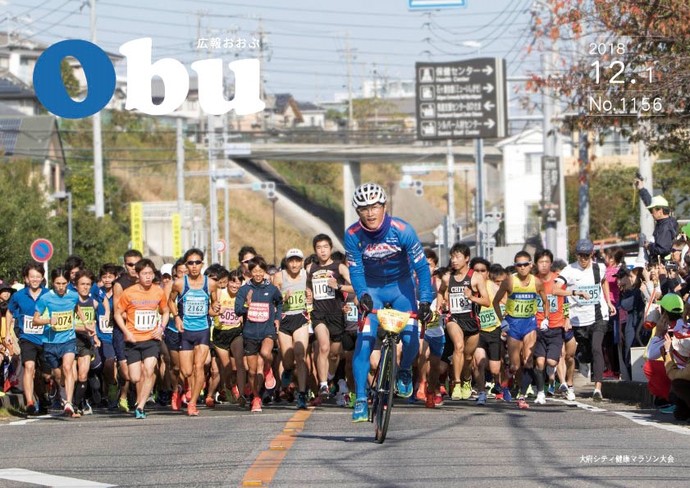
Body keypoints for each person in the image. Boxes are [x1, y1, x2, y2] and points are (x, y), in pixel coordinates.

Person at [344, 182, 434, 422]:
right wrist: (361, 293)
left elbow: (422, 269)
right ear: (357, 212)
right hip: (372, 289)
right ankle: (361, 399)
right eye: (364, 208)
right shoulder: (352, 235)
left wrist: (425, 300)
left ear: (384, 207)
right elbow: (355, 270)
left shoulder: (403, 230)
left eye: (374, 206)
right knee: (364, 342)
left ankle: (404, 370)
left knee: (410, 338)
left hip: (402, 288)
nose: (370, 213)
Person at [557, 239, 616, 401]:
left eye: (586, 255)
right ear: (576, 255)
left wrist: (609, 302)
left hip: (598, 316)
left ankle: (597, 388)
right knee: (583, 353)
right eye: (580, 255)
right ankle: (580, 365)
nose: (583, 259)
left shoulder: (600, 268)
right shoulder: (569, 270)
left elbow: (603, 282)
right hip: (578, 320)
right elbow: (555, 289)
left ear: (592, 254)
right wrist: (574, 293)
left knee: (597, 347)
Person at [493, 251, 550, 409]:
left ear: (531, 265)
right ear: (515, 266)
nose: (523, 268)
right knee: (515, 365)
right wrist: (502, 321)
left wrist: (545, 318)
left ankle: (522, 396)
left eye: (526, 264)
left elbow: (546, 301)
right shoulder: (509, 282)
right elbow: (496, 302)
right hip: (513, 324)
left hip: (529, 323)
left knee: (528, 360)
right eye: (519, 265)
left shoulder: (537, 282)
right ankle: (509, 382)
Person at [114, 259, 170, 419]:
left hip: (151, 339)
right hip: (133, 340)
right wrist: (126, 331)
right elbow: (117, 313)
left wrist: (161, 329)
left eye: (150, 273)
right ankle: (144, 385)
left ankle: (140, 405)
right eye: (144, 274)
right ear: (137, 275)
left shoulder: (158, 291)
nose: (148, 277)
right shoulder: (129, 293)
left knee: (149, 369)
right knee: (135, 377)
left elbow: (165, 311)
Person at [168, 248, 219, 416]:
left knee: (199, 367)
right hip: (186, 331)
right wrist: (176, 317)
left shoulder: (210, 284)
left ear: (202, 264)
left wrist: (216, 309)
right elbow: (170, 301)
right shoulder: (180, 283)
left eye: (197, 262)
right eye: (191, 263)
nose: (194, 266)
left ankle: (193, 403)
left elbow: (212, 308)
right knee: (186, 371)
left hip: (203, 330)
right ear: (186, 265)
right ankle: (187, 387)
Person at [438, 245, 490, 401]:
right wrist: (440, 306)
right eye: (452, 257)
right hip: (453, 319)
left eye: (458, 257)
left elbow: (486, 301)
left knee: (468, 358)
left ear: (467, 258)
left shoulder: (476, 278)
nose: (454, 260)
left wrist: (471, 297)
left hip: (471, 320)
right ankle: (457, 383)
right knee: (458, 346)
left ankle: (467, 379)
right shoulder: (448, 278)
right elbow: (440, 292)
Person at [306, 234, 353, 400]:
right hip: (319, 314)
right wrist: (308, 293)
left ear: (330, 248)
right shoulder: (310, 268)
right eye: (318, 248)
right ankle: (324, 384)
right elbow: (306, 287)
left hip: (336, 314)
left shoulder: (339, 267)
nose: (322, 251)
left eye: (325, 247)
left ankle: (330, 374)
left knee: (334, 354)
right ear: (315, 250)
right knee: (323, 347)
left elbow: (356, 286)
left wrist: (339, 286)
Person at [234, 257, 283, 413]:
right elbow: (237, 310)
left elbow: (280, 302)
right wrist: (247, 306)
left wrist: (277, 319)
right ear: (250, 272)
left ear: (265, 272)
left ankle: (268, 370)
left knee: (265, 352)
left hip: (267, 330)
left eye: (260, 271)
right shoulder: (244, 289)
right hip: (250, 333)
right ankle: (256, 397)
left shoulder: (272, 289)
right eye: (254, 271)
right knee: (253, 371)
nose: (258, 274)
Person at [6, 262, 49, 414]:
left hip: (46, 338)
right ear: (26, 278)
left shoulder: (48, 294)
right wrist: (7, 334)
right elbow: (10, 312)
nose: (35, 279)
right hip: (27, 337)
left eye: (38, 276)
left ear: (42, 277)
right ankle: (30, 402)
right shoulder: (18, 296)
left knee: (45, 375)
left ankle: (43, 397)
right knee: (29, 368)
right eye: (32, 277)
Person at [273, 248, 310, 409]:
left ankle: (302, 394)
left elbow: (313, 291)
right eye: (291, 260)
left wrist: (310, 294)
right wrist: (282, 297)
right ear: (286, 262)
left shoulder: (306, 274)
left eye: (297, 260)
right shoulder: (279, 276)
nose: (294, 264)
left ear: (301, 262)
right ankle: (287, 370)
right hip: (285, 320)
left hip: (300, 318)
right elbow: (273, 300)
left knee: (300, 356)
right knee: (288, 359)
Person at [634, 178, 678, 263]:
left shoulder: (665, 227)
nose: (651, 213)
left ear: (660, 211)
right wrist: (642, 189)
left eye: (652, 211)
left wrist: (649, 246)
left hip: (662, 265)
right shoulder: (666, 222)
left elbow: (663, 249)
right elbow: (650, 202)